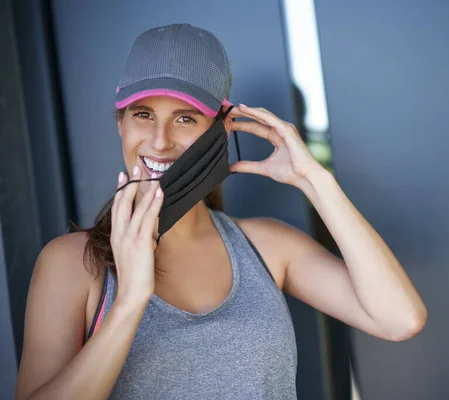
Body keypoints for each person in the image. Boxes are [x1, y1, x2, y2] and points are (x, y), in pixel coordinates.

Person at [15, 23, 426, 400]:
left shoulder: (265, 246)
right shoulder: (71, 263)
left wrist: (314, 180)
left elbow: (399, 319)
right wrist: (130, 302)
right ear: (120, 124)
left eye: (185, 118)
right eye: (143, 115)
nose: (159, 141)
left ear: (221, 130)